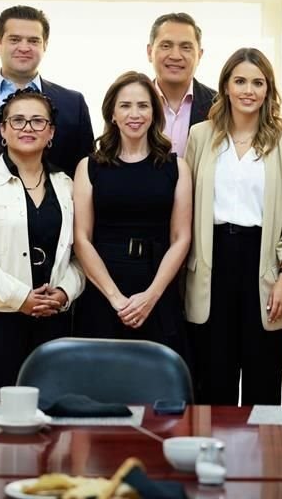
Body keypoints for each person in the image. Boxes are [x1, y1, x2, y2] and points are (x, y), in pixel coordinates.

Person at [0, 5, 94, 299]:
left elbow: (85, 177)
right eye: (14, 39)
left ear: (45, 46)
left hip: (57, 257)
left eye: (33, 40)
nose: (24, 47)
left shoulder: (73, 104)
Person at [184, 47, 282, 405]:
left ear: (268, 90)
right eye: (240, 81)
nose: (248, 90)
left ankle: (262, 461)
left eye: (257, 82)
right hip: (211, 265)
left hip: (265, 264)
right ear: (225, 86)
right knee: (213, 382)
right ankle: (215, 459)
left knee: (262, 381)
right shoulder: (200, 136)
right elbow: (188, 207)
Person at [0, 88, 82, 401]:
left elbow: (82, 253)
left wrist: (65, 292)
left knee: (54, 413)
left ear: (51, 132)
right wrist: (19, 297)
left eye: (38, 121)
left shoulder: (67, 186)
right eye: (18, 120)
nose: (27, 128)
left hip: (54, 318)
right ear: (2, 130)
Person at [72, 72, 192, 362]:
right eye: (125, 106)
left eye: (143, 105)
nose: (134, 114)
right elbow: (82, 238)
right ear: (112, 113)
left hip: (157, 286)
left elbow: (181, 237)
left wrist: (151, 296)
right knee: (101, 391)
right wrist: (116, 299)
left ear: (154, 112)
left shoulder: (177, 167)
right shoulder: (89, 166)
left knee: (162, 394)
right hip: (103, 290)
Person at [146, 13, 216, 157]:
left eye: (186, 47)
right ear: (149, 52)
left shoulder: (220, 105)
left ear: (199, 55)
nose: (175, 56)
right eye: (166, 46)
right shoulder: (128, 103)